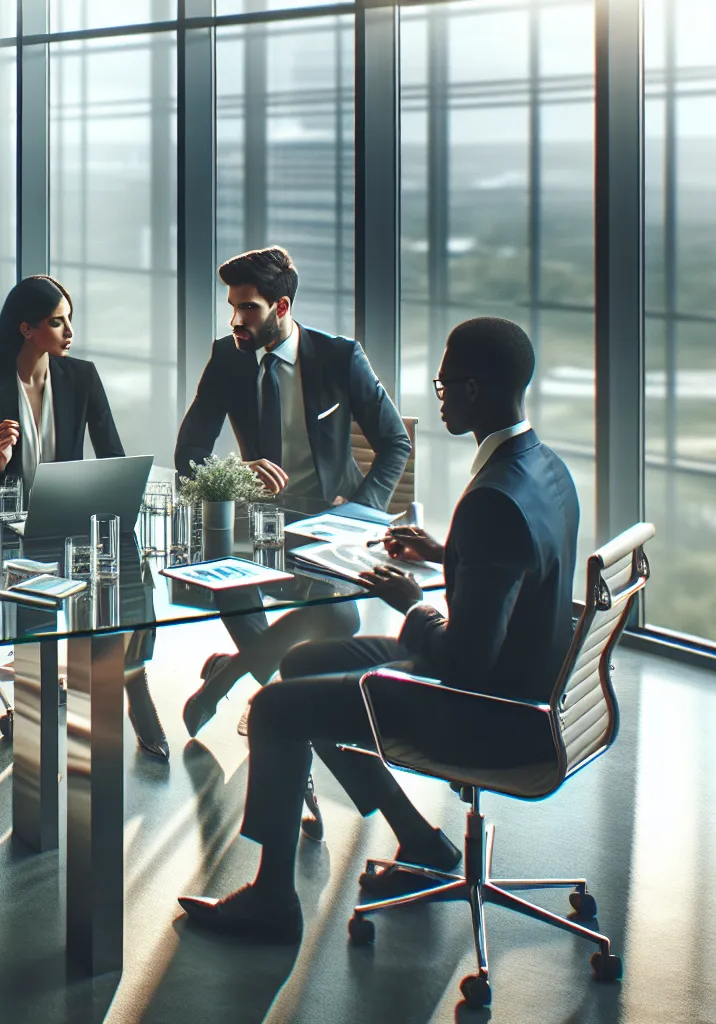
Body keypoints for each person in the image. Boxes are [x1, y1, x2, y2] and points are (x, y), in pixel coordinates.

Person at [176, 316, 582, 942]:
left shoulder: (492, 501)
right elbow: (519, 569)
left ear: (474, 389)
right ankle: (420, 840)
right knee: (303, 663)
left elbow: (464, 661)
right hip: (523, 685)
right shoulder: (543, 467)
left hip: (486, 711)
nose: (439, 394)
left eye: (445, 383)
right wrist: (446, 554)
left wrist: (411, 603)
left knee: (276, 710)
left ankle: (272, 901)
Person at [174, 246, 412, 835]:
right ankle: (279, 723)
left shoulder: (339, 358)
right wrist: (238, 470)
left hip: (329, 530)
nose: (236, 320)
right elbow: (189, 453)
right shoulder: (228, 359)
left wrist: (359, 512)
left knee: (340, 619)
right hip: (257, 530)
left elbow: (394, 445)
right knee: (233, 594)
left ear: (281, 307)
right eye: (232, 307)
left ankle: (232, 676)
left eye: (248, 308)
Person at [0, 276, 168, 762]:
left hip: (66, 518)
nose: (70, 331)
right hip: (4, 523)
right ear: (26, 329)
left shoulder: (81, 377)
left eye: (69, 319)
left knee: (129, 572)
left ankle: (135, 687)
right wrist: (1, 457)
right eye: (57, 322)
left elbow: (111, 452)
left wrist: (120, 495)